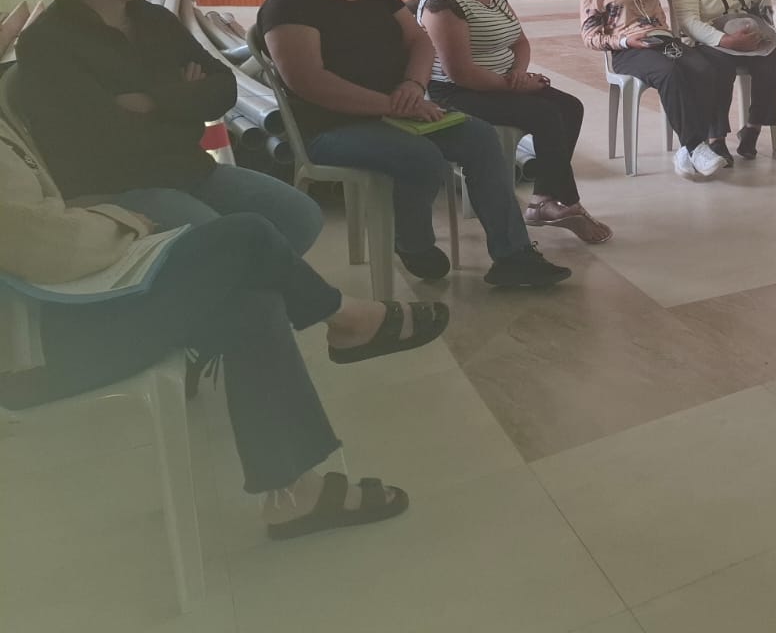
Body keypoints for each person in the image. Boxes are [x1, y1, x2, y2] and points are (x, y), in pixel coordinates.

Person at [0, 107, 446, 540]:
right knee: (245, 237)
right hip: (43, 352)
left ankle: (293, 494)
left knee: (252, 301)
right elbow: (40, 244)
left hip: (57, 311)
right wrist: (122, 220)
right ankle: (347, 318)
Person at [258, 0, 570, 288]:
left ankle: (513, 255)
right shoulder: (289, 1)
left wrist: (412, 84)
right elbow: (309, 82)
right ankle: (413, 243)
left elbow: (419, 41)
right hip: (332, 127)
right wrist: (392, 105)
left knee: (479, 137)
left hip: (400, 110)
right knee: (420, 156)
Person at [16, 0, 321, 255]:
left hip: (189, 170)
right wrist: (186, 100)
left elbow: (224, 87)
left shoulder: (155, 21)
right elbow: (103, 140)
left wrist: (153, 101)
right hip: (115, 189)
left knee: (299, 216)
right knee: (224, 242)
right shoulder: (47, 43)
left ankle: (246, 285)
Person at [414, 0, 611, 245]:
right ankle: (566, 203)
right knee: (545, 114)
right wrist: (513, 85)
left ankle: (543, 199)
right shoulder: (441, 1)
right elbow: (460, 73)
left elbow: (519, 41)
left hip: (502, 81)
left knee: (570, 107)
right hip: (458, 92)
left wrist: (518, 75)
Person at [579, 0, 734, 179]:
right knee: (669, 73)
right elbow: (589, 36)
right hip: (630, 51)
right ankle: (696, 147)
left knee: (703, 68)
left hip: (662, 41)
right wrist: (624, 41)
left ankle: (688, 149)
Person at [663, 0, 776, 162]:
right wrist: (726, 41)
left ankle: (752, 128)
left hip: (745, 27)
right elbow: (689, 22)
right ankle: (716, 138)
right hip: (711, 38)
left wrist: (765, 10)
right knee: (719, 67)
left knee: (774, 59)